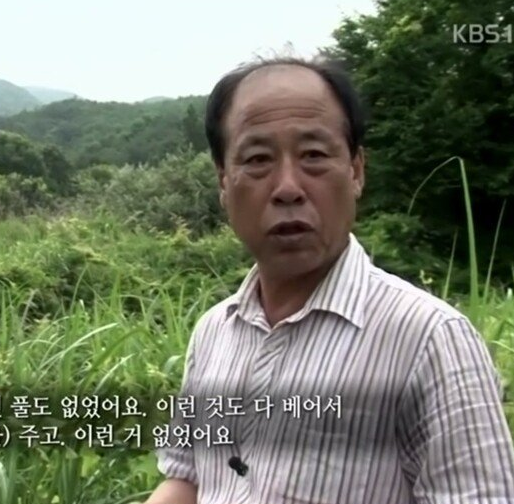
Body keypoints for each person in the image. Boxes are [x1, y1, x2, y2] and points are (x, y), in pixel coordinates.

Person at [144, 56, 514, 504]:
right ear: (224, 181)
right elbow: (186, 480)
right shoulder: (213, 333)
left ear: (356, 170)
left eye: (314, 156)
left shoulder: (429, 339)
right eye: (258, 159)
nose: (287, 187)